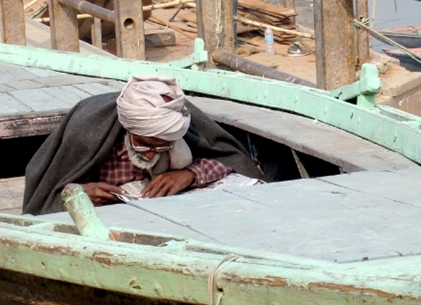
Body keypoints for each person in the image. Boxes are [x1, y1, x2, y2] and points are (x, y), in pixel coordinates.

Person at [22, 76, 261, 214]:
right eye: (144, 144)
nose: (151, 154)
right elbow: (46, 192)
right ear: (127, 129)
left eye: (163, 147)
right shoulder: (87, 133)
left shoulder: (178, 119)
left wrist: (189, 174)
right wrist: (81, 194)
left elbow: (231, 158)